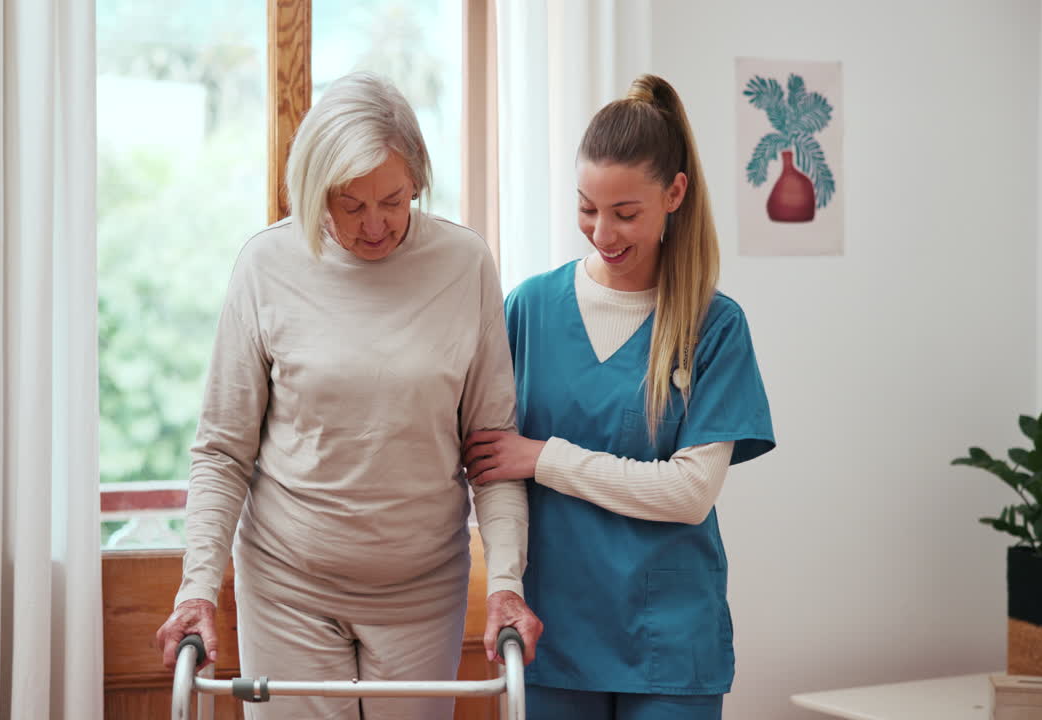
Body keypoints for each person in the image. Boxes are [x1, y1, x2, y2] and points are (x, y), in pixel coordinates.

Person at [155, 71, 542, 720]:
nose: (374, 227)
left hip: (421, 588)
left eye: (392, 200)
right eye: (348, 205)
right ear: (312, 193)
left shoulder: (464, 264)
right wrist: (197, 588)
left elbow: (493, 454)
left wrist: (505, 582)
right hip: (288, 584)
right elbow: (222, 452)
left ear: (417, 179)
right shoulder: (266, 266)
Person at [463, 74, 775, 719]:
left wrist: (543, 457)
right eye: (586, 208)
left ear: (675, 194)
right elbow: (489, 463)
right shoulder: (529, 309)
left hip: (667, 638)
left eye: (625, 213)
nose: (602, 232)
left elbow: (690, 494)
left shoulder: (712, 326)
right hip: (553, 630)